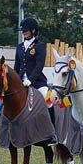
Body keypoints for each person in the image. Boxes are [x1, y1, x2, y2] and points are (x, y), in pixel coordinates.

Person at [14, 17, 57, 146]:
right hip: (21, 82)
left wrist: (30, 80)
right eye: (23, 30)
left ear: (33, 31)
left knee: (48, 101)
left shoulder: (40, 46)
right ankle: (9, 132)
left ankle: (52, 133)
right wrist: (16, 81)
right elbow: (17, 66)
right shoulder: (20, 47)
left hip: (37, 82)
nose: (24, 32)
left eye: (26, 30)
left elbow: (39, 66)